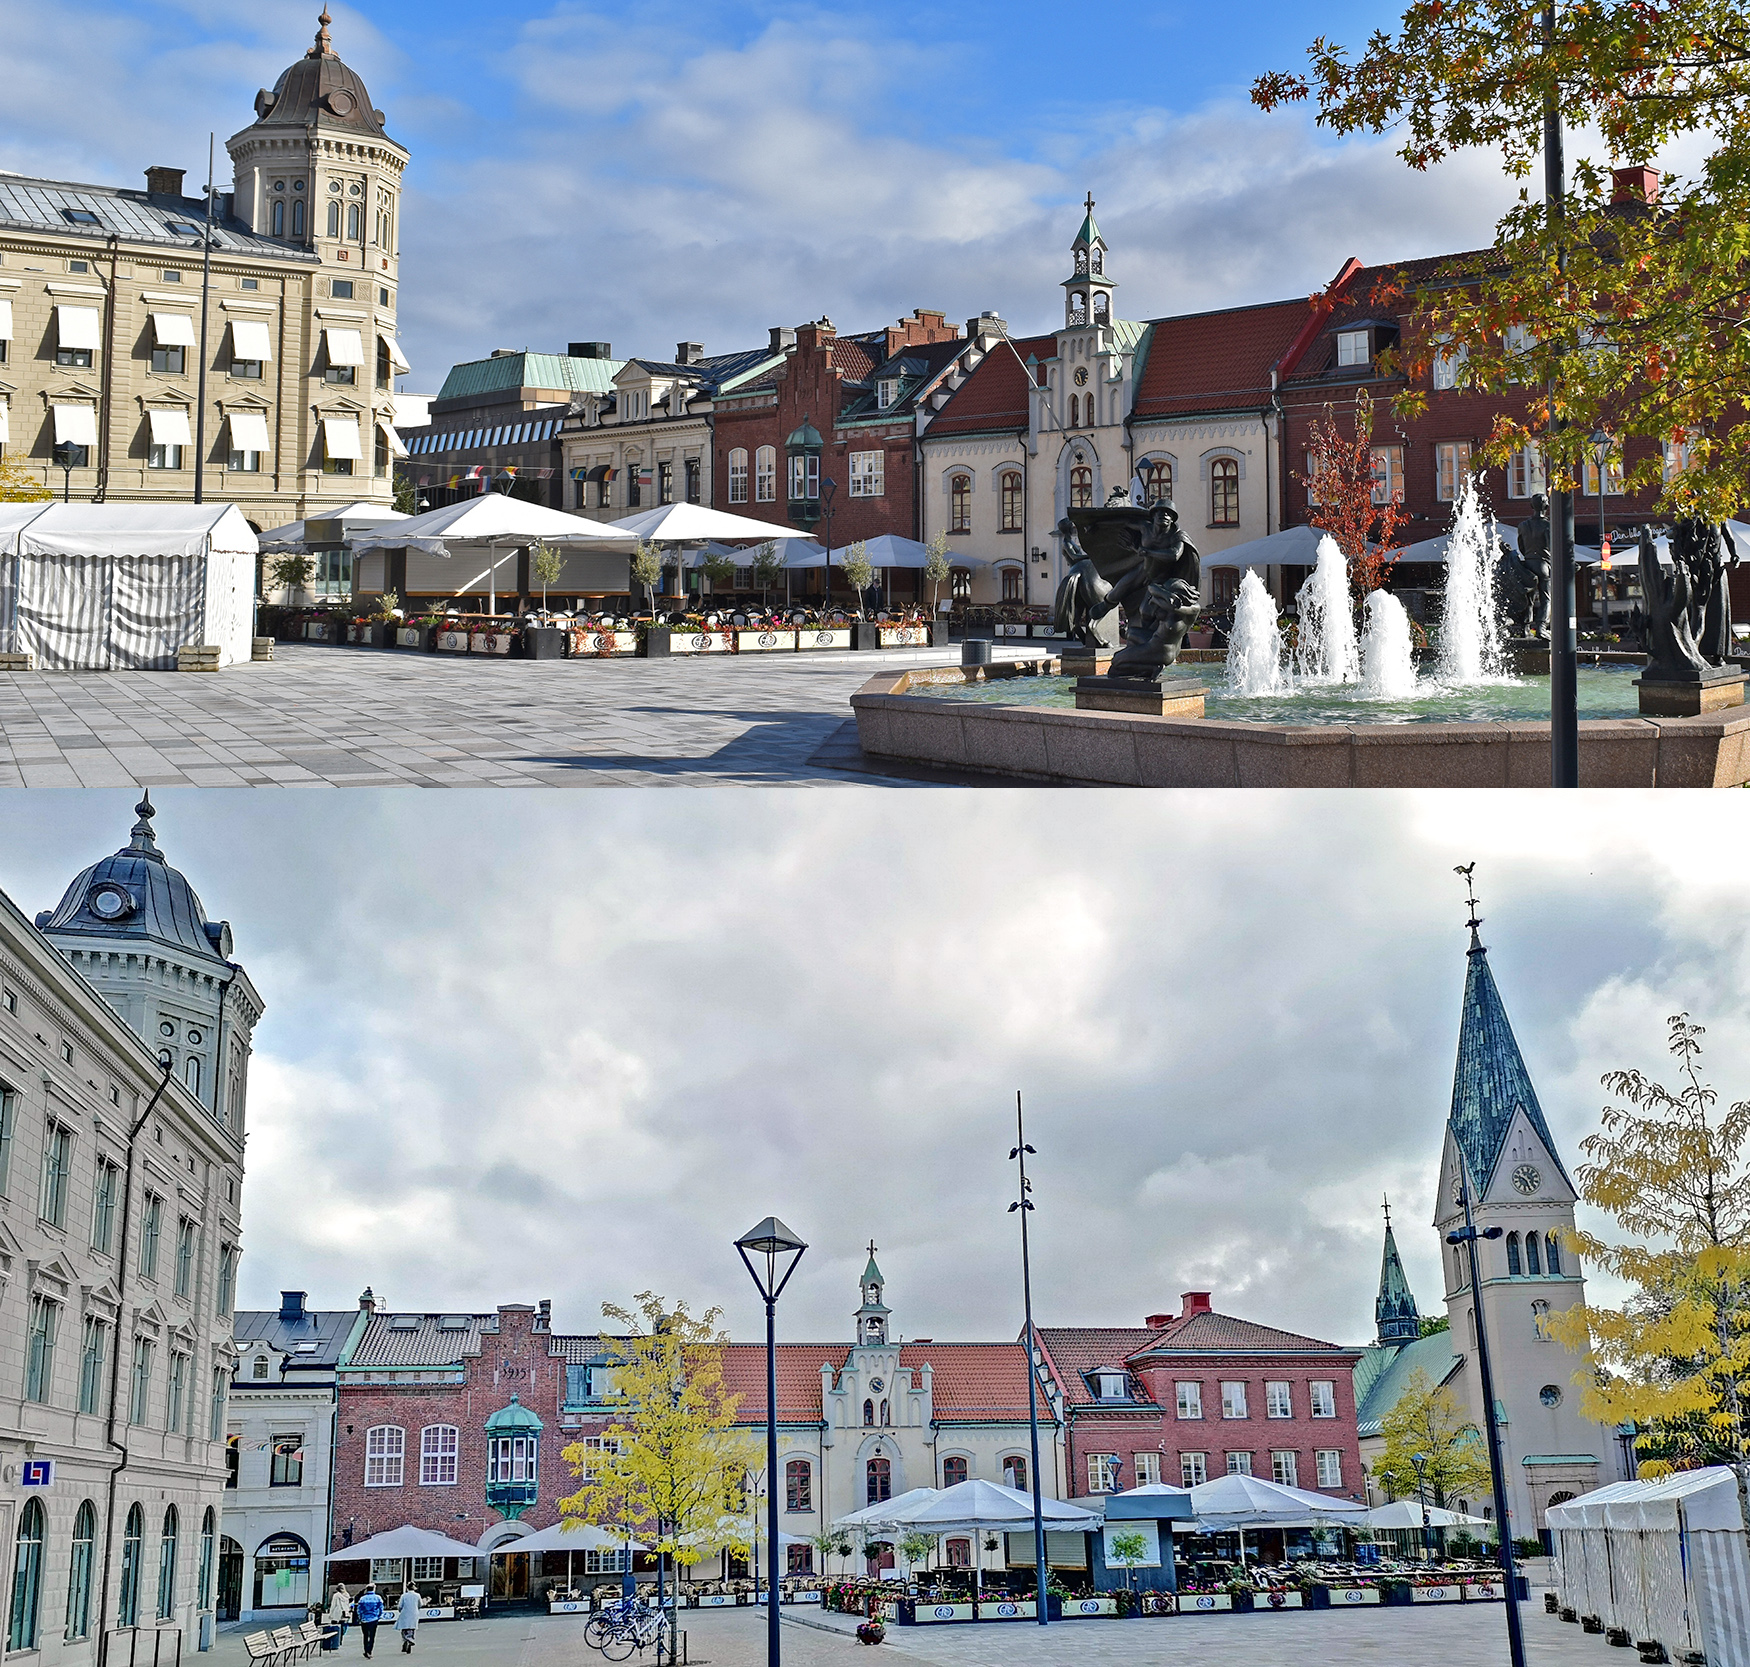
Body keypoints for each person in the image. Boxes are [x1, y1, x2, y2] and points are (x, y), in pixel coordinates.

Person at [354, 1585, 384, 1658]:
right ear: (374, 1589)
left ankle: (365, 1650)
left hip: (364, 1619)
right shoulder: (378, 1598)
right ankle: (369, 1651)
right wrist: (379, 1616)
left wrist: (360, 1617)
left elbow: (359, 1610)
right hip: (374, 1619)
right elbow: (381, 1608)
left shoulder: (362, 1599)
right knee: (372, 1636)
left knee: (365, 1635)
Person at [396, 1585, 421, 1654]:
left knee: (404, 1628)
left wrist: (400, 1610)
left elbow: (400, 1606)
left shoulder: (404, 1596)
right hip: (414, 1613)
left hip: (405, 1613)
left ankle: (406, 1640)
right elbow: (420, 1604)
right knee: (412, 1628)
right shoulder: (417, 1595)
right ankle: (410, 1639)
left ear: (407, 1588)